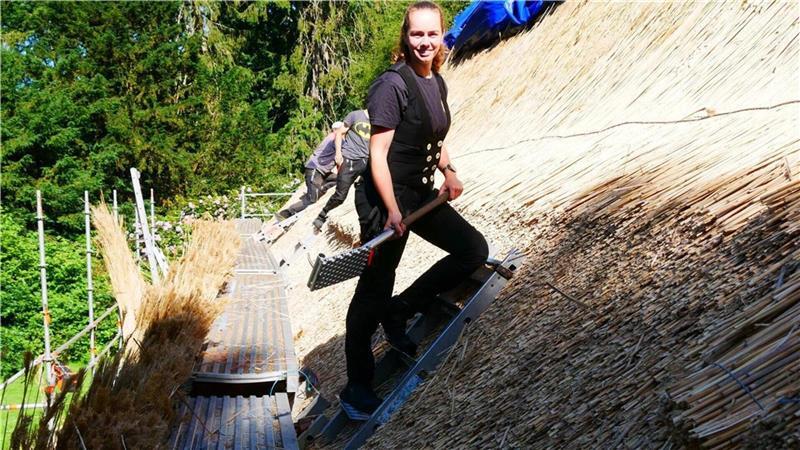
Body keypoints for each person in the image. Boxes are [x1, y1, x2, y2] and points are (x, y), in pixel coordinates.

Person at [338, 1, 488, 420]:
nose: (425, 42)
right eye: (417, 34)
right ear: (405, 37)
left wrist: (450, 171)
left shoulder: (435, 82)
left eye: (432, 34)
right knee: (373, 288)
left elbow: (434, 139)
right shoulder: (392, 85)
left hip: (418, 193)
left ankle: (400, 310)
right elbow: (378, 155)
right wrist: (390, 210)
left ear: (441, 36)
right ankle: (356, 388)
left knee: (472, 250)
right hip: (382, 198)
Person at [312, 108, 371, 230]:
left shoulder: (378, 120)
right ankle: (322, 215)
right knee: (340, 196)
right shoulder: (355, 115)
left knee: (370, 193)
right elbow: (339, 133)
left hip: (366, 161)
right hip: (350, 159)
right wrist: (338, 154)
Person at [277, 122, 343, 219]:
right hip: (315, 169)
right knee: (312, 199)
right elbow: (339, 159)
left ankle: (321, 189)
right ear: (337, 130)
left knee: (340, 180)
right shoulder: (334, 139)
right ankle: (286, 213)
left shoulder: (331, 137)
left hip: (323, 171)